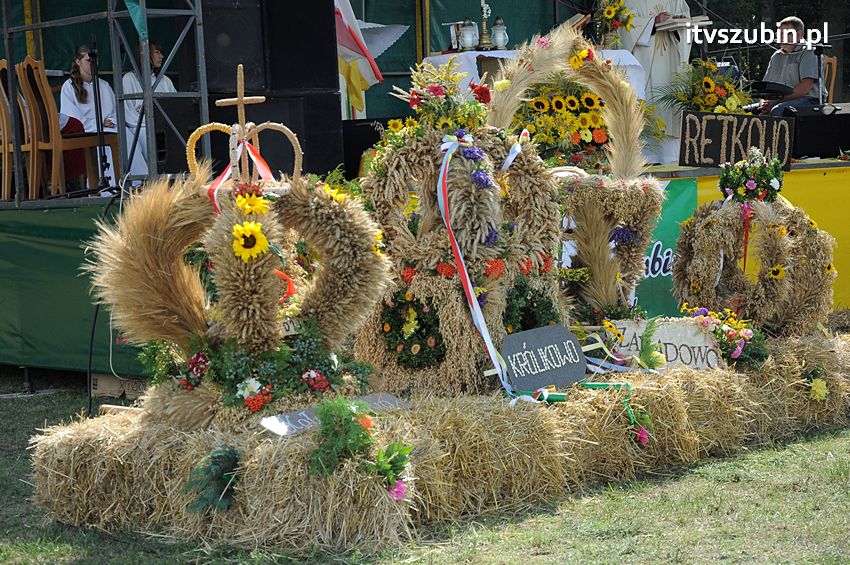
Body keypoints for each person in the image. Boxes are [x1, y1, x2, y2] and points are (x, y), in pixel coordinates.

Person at [618, 0, 692, 164]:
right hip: (643, 63)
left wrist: (678, 24)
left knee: (669, 110)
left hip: (670, 63)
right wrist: (652, 23)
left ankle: (671, 161)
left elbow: (686, 25)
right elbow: (622, 25)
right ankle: (644, 160)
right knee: (646, 111)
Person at [59, 44, 117, 186]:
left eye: (95, 60)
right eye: (89, 60)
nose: (93, 64)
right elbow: (73, 121)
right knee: (105, 142)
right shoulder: (69, 87)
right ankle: (106, 187)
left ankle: (134, 183)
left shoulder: (104, 85)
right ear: (78, 62)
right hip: (88, 133)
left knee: (127, 135)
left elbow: (116, 111)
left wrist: (111, 121)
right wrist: (98, 124)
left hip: (110, 129)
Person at [121, 41, 176, 179]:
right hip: (140, 127)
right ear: (145, 55)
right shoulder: (129, 79)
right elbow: (127, 111)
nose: (162, 56)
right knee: (145, 134)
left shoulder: (165, 80)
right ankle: (147, 180)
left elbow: (176, 106)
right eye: (157, 52)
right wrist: (149, 122)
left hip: (164, 125)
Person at [759, 17, 825, 117]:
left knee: (778, 110)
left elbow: (805, 87)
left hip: (809, 101)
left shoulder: (809, 51)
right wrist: (764, 103)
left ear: (799, 35)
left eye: (785, 34)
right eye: (779, 34)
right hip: (779, 101)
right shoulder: (776, 56)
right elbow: (765, 88)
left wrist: (776, 101)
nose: (781, 37)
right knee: (743, 111)